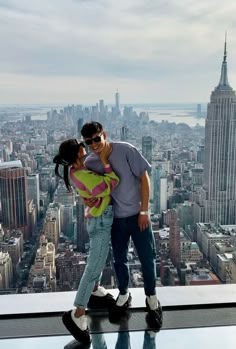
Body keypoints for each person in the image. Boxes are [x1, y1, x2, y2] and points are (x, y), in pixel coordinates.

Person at [81, 121, 162, 329]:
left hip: (138, 216)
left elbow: (144, 178)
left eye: (97, 139)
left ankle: (152, 300)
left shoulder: (126, 150)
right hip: (115, 219)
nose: (94, 144)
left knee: (147, 257)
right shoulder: (90, 162)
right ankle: (124, 295)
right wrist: (87, 200)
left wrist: (144, 210)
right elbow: (88, 187)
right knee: (119, 259)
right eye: (89, 142)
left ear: (104, 135)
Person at [53, 138, 119, 344]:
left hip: (97, 217)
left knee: (97, 258)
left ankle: (93, 290)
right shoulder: (82, 173)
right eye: (83, 152)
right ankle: (78, 312)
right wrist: (106, 163)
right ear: (76, 156)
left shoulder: (77, 171)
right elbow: (112, 183)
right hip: (100, 221)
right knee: (94, 265)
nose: (87, 154)